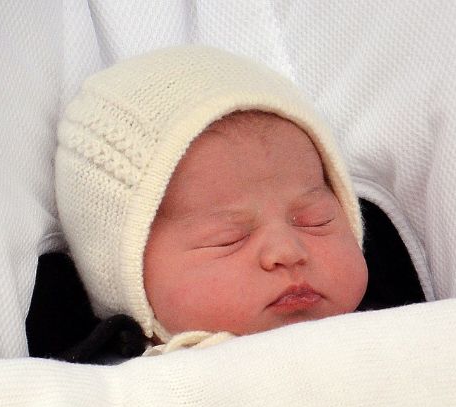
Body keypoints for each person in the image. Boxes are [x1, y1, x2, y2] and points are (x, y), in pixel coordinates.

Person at [55, 45, 367, 355]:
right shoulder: (108, 392)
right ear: (129, 279)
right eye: (229, 238)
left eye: (316, 220)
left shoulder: (402, 333)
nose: (287, 252)